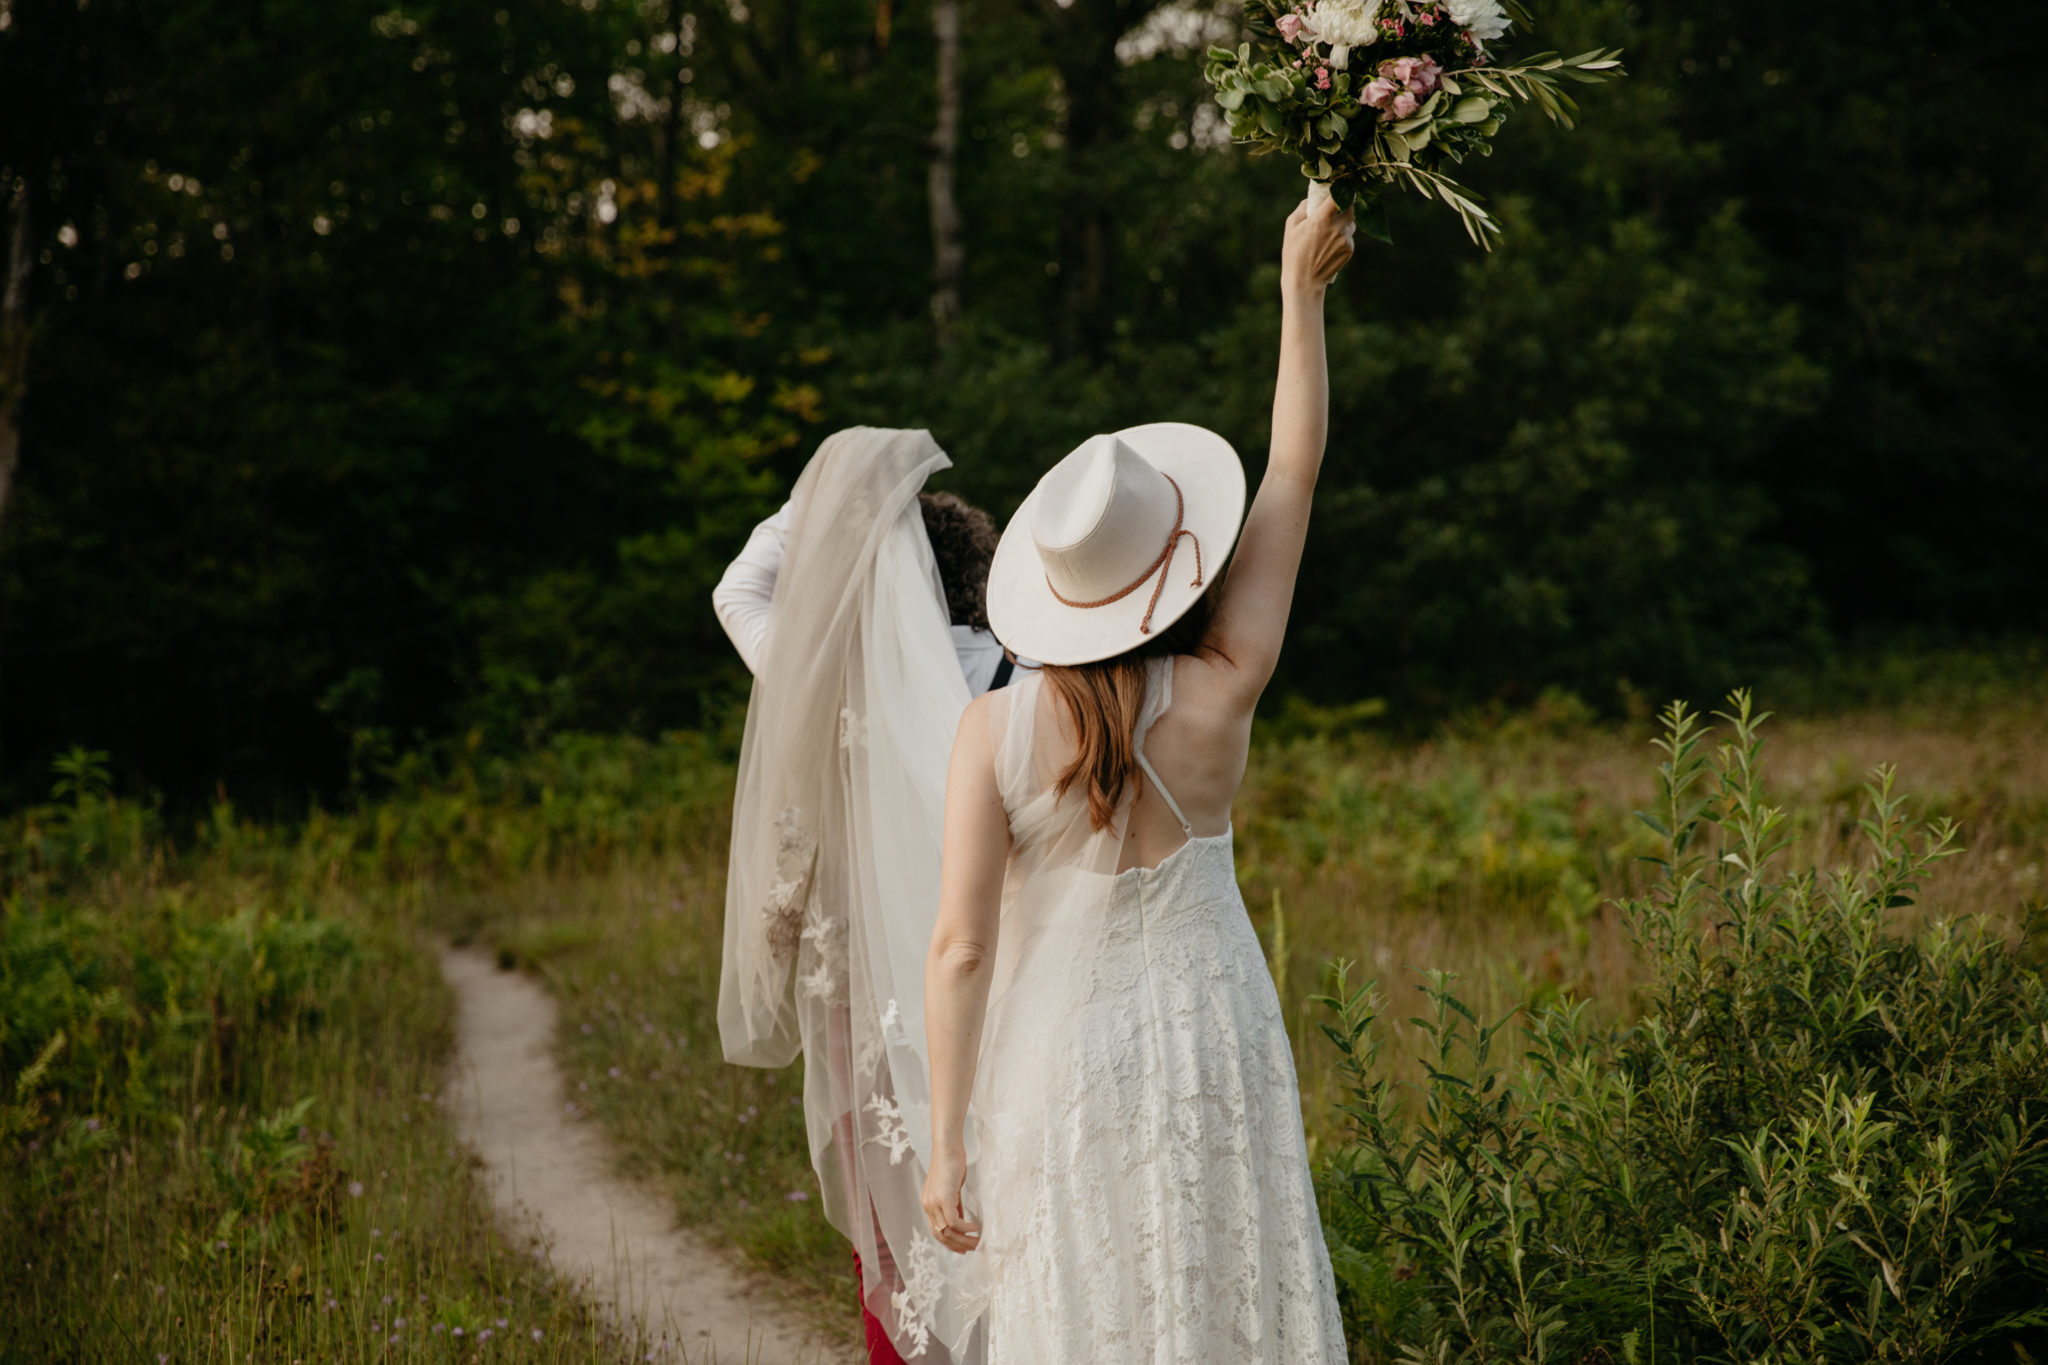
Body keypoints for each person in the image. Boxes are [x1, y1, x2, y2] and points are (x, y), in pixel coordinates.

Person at [917, 198, 1356, 1361]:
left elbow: (959, 950)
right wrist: (1295, 296)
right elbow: (1294, 468)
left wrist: (946, 1141)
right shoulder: (1221, 688)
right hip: (1215, 1035)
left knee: (1086, 1297)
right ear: (1173, 563)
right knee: (1221, 1288)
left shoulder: (989, 731)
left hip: (1062, 1052)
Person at [714, 429, 1008, 1365]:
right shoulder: (1026, 675)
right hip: (1000, 978)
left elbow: (737, 589)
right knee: (1005, 1201)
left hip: (871, 997)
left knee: (891, 1215)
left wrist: (841, 499)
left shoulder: (830, 681)